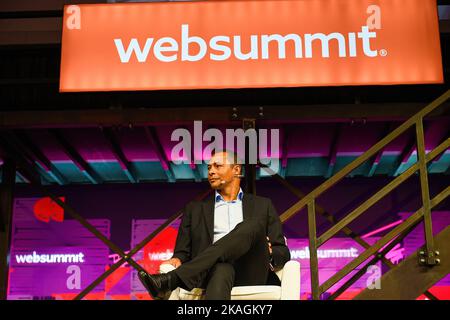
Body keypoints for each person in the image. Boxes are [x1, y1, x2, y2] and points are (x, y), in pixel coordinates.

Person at [138, 150, 290, 300]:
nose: (210, 171)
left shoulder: (263, 205)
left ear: (236, 170)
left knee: (253, 225)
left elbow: (282, 252)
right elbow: (182, 252)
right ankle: (172, 278)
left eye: (217, 166)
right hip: (211, 272)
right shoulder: (195, 209)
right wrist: (177, 259)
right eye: (209, 167)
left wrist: (269, 251)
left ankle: (171, 279)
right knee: (222, 268)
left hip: (251, 271)